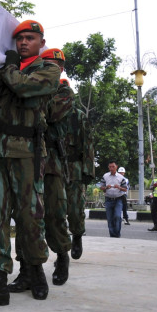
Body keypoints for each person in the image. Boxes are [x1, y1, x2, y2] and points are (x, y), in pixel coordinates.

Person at [0, 19, 59, 305]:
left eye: (29, 38)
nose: (23, 43)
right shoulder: (4, 70)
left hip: (27, 150)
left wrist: (9, 69)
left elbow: (24, 89)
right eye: (19, 38)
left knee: (29, 216)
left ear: (41, 42)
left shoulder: (49, 70)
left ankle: (34, 271)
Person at [40, 50, 74, 286]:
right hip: (28, 155)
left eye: (56, 65)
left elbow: (50, 113)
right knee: (27, 215)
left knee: (54, 213)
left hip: (51, 160)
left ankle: (62, 255)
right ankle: (27, 266)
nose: (52, 68)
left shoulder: (64, 92)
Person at [66, 99, 92, 260]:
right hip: (50, 166)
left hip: (73, 168)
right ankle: (62, 250)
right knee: (54, 211)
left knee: (75, 209)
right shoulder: (46, 112)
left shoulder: (78, 117)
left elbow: (87, 144)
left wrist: (87, 171)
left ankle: (77, 235)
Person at [99, 161, 128, 238]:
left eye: (113, 167)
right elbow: (101, 187)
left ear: (116, 167)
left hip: (118, 198)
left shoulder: (121, 177)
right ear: (108, 167)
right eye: (110, 167)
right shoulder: (105, 176)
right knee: (110, 217)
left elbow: (125, 189)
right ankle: (112, 234)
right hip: (108, 198)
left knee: (117, 216)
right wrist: (106, 187)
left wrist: (119, 187)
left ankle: (117, 233)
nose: (111, 168)